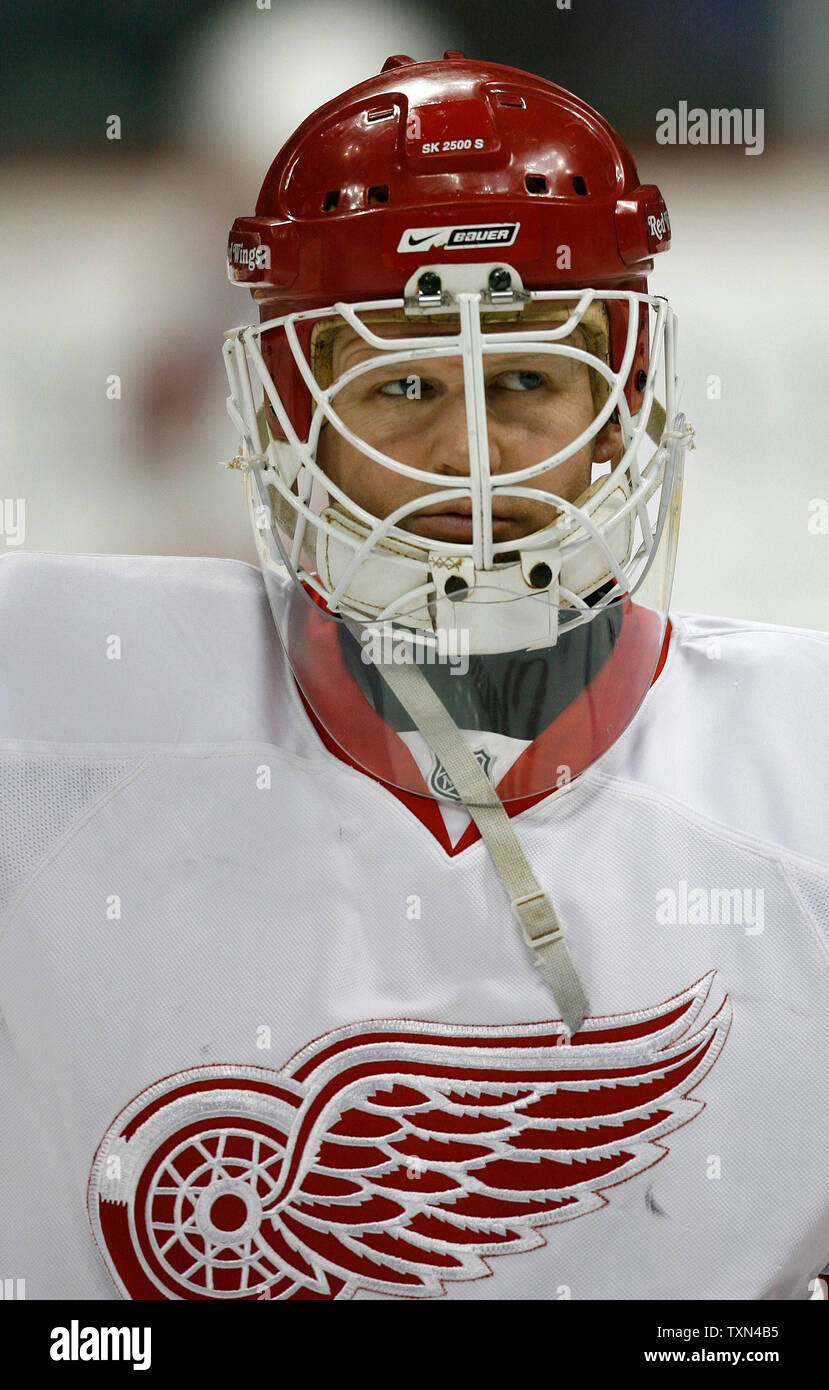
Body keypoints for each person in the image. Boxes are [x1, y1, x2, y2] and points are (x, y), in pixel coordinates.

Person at [0, 52, 826, 1304]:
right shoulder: (45, 719)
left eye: (528, 381)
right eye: (400, 387)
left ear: (626, 406)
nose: (469, 461)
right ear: (288, 418)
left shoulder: (802, 775)